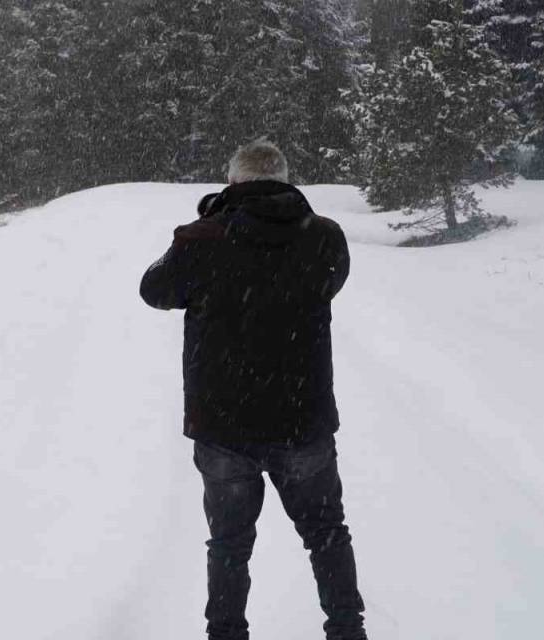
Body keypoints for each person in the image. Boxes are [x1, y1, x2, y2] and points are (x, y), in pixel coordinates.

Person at [139, 140, 367, 640]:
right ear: (285, 178)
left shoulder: (201, 237)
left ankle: (225, 634)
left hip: (223, 426)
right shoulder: (324, 236)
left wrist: (208, 223)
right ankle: (348, 632)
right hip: (301, 421)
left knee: (228, 545)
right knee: (327, 535)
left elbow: (154, 289)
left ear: (233, 181)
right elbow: (330, 283)